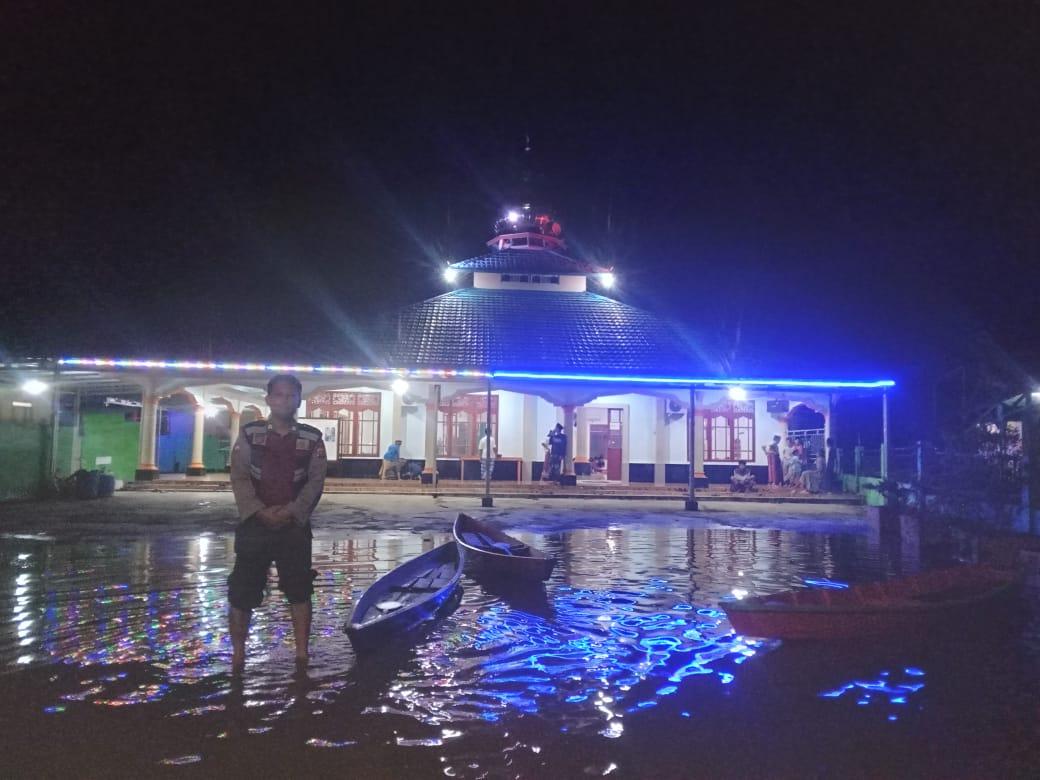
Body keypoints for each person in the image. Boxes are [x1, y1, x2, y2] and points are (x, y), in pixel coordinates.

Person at [228, 374, 327, 673]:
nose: (285, 401)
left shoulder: (312, 438)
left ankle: (301, 653)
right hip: (254, 524)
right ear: (268, 399)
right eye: (279, 395)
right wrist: (258, 511)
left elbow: (315, 481)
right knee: (242, 590)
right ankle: (238, 655)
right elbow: (240, 476)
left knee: (299, 589)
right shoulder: (249, 434)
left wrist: (293, 512)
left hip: (293, 526)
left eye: (291, 396)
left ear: (299, 399)